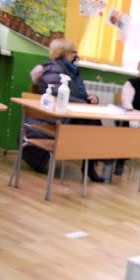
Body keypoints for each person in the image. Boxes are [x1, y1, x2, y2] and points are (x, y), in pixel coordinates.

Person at [28, 38, 105, 182]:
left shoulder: (70, 70)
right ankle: (93, 164)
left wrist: (91, 98)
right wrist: (84, 104)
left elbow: (76, 94)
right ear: (66, 53)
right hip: (52, 118)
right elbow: (59, 95)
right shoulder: (53, 69)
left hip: (68, 115)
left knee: (94, 124)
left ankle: (93, 163)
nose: (76, 55)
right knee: (94, 124)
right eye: (74, 52)